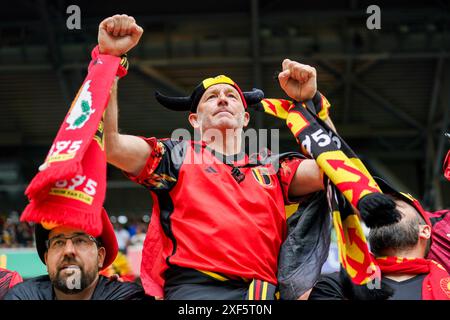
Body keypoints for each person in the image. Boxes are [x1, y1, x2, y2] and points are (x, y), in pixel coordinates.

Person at [99, 14, 328, 299]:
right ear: (194, 120)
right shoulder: (174, 154)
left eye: (231, 96)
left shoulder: (272, 165)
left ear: (245, 118)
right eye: (211, 97)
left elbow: (329, 171)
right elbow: (113, 148)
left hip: (264, 295)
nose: (222, 98)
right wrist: (109, 60)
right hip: (197, 292)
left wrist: (311, 106)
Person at [309, 177, 450, 300]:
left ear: (424, 231)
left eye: (395, 208)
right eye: (378, 213)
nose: (383, 214)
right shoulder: (337, 285)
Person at [4, 209, 148, 300]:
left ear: (100, 256)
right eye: (58, 242)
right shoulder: (23, 296)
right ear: (47, 258)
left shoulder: (127, 296)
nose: (68, 251)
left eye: (80, 241)